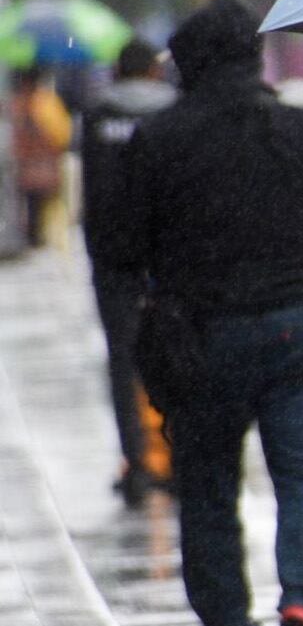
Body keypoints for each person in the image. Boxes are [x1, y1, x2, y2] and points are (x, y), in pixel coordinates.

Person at [102, 0, 303, 626]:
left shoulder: (159, 140)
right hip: (298, 326)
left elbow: (120, 247)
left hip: (201, 341)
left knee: (207, 491)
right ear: (252, 59)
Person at [80, 38, 176, 507]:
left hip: (115, 265)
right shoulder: (176, 111)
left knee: (123, 362)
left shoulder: (98, 118)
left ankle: (137, 462)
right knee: (178, 359)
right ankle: (176, 457)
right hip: (169, 261)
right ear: (155, 71)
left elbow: (91, 198)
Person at [10, 61, 72, 247]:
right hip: (42, 166)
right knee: (43, 204)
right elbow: (62, 134)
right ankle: (38, 236)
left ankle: (32, 234)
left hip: (22, 166)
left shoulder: (16, 102)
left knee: (30, 202)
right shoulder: (46, 101)